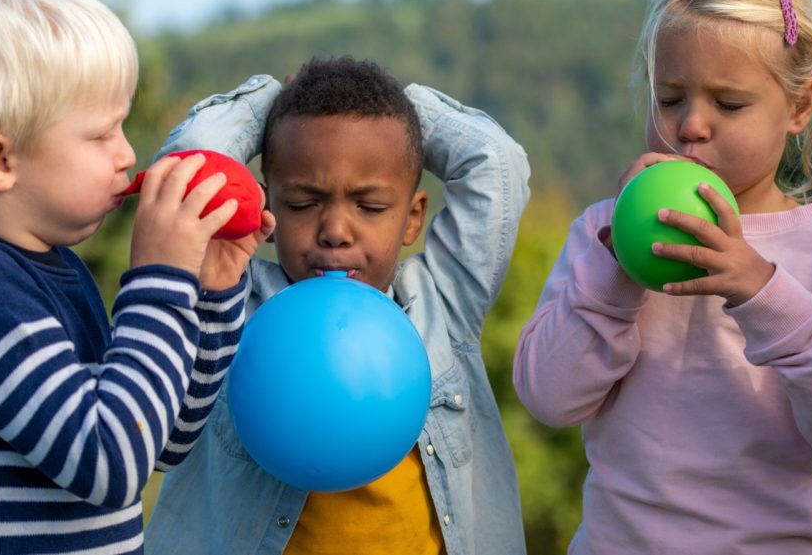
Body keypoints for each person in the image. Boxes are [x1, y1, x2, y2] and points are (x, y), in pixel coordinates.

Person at [0, 0, 274, 553]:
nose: (127, 153)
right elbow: (113, 462)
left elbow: (162, 440)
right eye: (101, 134)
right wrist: (160, 281)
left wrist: (210, 293)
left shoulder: (56, 271)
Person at [513, 0, 812, 553]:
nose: (691, 125)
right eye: (670, 98)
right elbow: (548, 399)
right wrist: (613, 275)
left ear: (799, 106)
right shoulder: (603, 231)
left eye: (728, 103)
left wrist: (764, 292)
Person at [143, 56, 530, 554]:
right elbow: (191, 168)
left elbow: (496, 162)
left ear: (413, 219)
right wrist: (271, 102)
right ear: (269, 207)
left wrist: (400, 109)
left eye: (370, 207)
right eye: (304, 204)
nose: (335, 232)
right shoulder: (229, 304)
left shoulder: (443, 304)